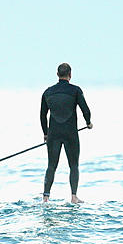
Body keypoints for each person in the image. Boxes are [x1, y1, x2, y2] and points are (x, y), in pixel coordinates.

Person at [40, 62, 92, 203]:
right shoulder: (75, 90)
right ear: (70, 75)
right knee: (73, 165)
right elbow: (85, 110)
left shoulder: (48, 92)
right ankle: (74, 197)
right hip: (71, 134)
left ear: (58, 75)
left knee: (51, 165)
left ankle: (45, 197)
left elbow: (42, 115)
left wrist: (46, 133)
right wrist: (88, 123)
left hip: (53, 134)